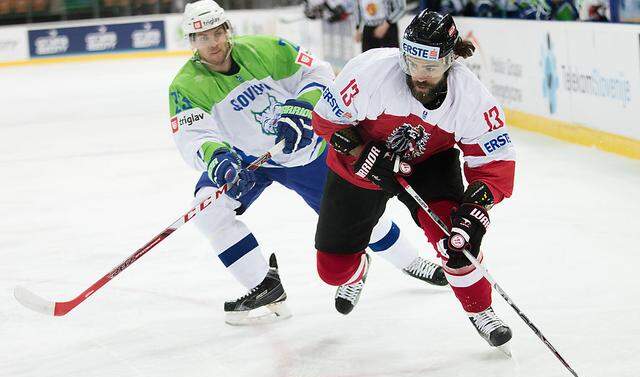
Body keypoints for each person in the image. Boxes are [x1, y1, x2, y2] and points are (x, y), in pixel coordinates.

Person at [169, 0, 447, 325]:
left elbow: (318, 72)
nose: (212, 43)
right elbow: (193, 134)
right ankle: (264, 284)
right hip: (246, 159)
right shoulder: (186, 85)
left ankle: (410, 260)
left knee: (356, 220)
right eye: (202, 37)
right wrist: (218, 159)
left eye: (217, 33)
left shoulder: (266, 49)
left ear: (228, 30)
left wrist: (302, 107)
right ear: (191, 41)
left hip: (306, 151)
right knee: (208, 210)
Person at [312, 10, 516, 352]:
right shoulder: (371, 72)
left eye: (431, 68)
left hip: (428, 163)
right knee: (332, 271)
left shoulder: (471, 98)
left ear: (450, 61)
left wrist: (476, 207)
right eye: (412, 64)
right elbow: (325, 120)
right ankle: (359, 267)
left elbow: (494, 163)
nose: (418, 76)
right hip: (361, 164)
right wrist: (362, 150)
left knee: (458, 240)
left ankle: (480, 309)